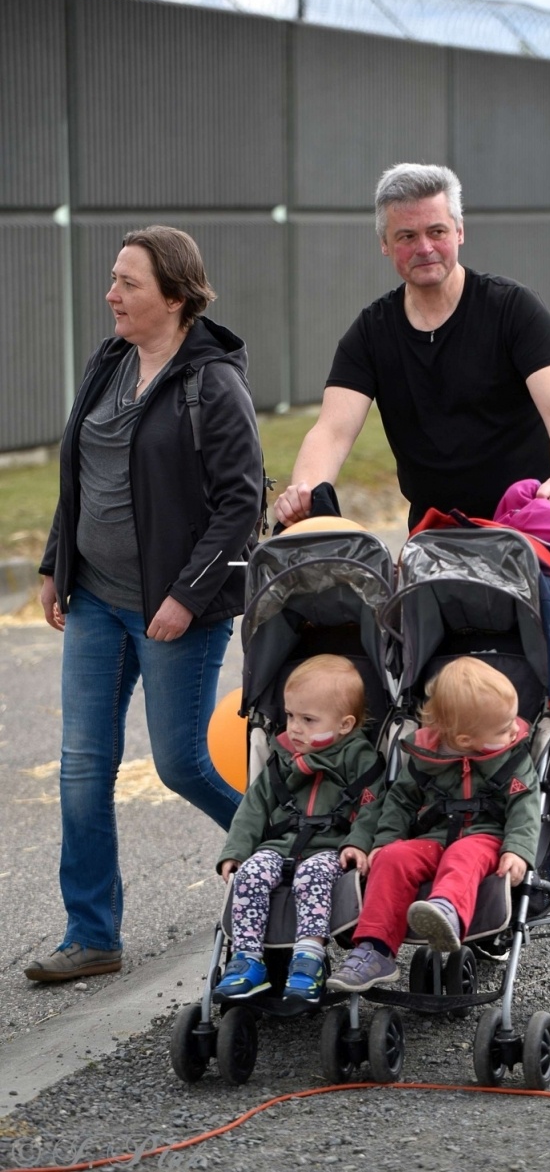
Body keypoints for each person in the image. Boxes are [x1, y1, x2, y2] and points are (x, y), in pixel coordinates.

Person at [24, 226, 264, 984]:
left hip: (173, 610)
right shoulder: (109, 361)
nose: (111, 295)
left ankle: (284, 858)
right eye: (113, 279)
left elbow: (240, 504)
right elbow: (81, 474)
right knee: (82, 767)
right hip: (94, 597)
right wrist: (55, 563)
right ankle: (92, 934)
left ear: (174, 295)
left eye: (127, 283)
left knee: (181, 763)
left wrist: (185, 598)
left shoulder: (212, 383)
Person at [274, 163, 550, 532]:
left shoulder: (513, 309)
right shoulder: (371, 332)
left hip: (527, 524)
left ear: (458, 232)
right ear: (385, 244)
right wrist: (305, 493)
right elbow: (332, 431)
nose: (424, 248)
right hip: (434, 533)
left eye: (436, 231)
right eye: (406, 236)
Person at [326, 658, 540, 992]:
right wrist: (387, 839)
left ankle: (447, 912)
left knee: (463, 854)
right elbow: (400, 801)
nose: (515, 729)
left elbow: (525, 807)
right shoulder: (427, 758)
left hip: (485, 838)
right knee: (392, 858)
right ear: (465, 739)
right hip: (433, 836)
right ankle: (374, 949)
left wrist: (518, 850)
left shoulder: (513, 759)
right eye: (503, 728)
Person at [215, 655, 385, 1003]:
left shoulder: (359, 758)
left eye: (308, 720)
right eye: (291, 716)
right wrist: (235, 851)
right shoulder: (282, 756)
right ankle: (247, 959)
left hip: (330, 847)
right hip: (279, 845)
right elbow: (253, 807)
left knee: (313, 875)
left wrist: (358, 843)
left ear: (344, 724)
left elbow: (372, 808)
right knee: (250, 874)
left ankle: (309, 958)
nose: (294, 727)